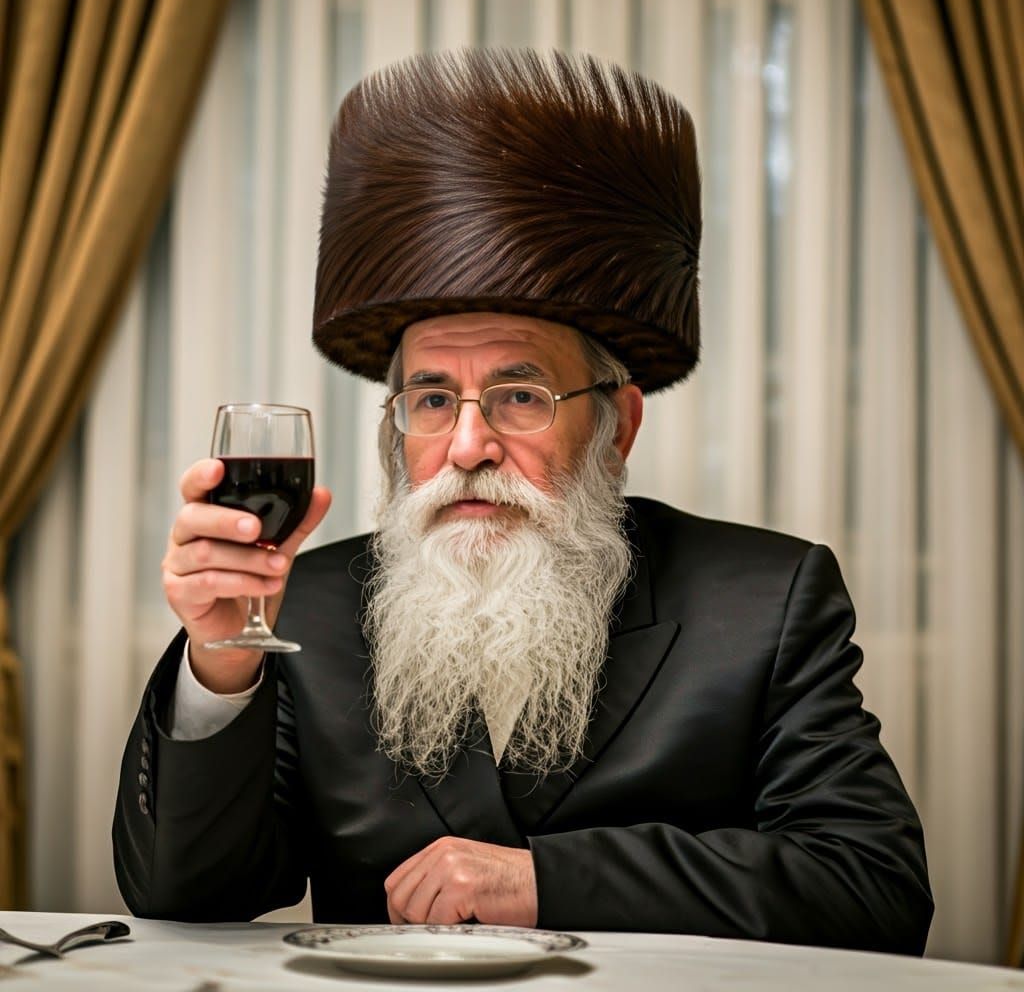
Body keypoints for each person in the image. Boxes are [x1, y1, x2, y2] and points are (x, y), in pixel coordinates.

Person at [113, 49, 932, 952]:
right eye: (431, 400)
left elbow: (872, 888)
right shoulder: (302, 601)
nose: (468, 446)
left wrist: (546, 881)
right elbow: (181, 900)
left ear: (616, 425)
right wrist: (219, 662)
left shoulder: (766, 597)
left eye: (520, 395)